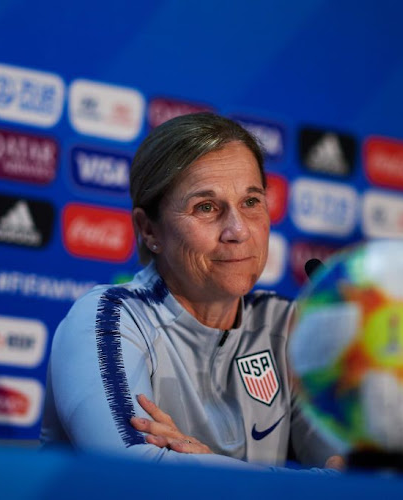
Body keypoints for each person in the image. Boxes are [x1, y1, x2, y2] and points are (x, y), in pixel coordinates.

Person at [40, 112, 343, 471]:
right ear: (149, 229)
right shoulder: (107, 319)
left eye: (251, 202)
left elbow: (359, 478)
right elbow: (131, 474)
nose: (238, 230)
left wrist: (202, 465)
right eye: (206, 207)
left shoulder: (285, 326)